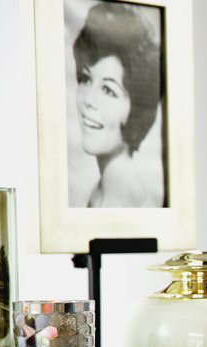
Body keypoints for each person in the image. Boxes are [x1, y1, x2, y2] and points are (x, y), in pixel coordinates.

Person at [72, 1, 163, 208]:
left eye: (108, 90)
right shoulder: (89, 197)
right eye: (86, 79)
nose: (88, 100)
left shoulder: (141, 207)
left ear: (136, 109)